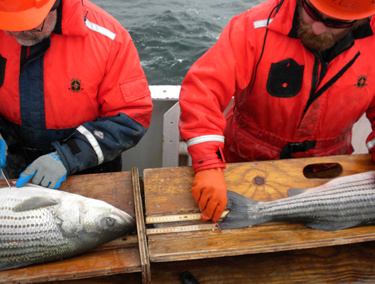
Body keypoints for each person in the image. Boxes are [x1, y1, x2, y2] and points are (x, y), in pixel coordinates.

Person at [179, 0, 375, 222]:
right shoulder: (252, 27)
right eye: (312, 12)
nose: (318, 28)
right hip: (242, 164)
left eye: (335, 22)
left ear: (360, 19)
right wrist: (208, 164)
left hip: (328, 173)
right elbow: (203, 91)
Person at [0, 0, 153, 189]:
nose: (15, 33)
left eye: (29, 24)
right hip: (13, 167)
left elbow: (132, 117)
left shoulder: (110, 38)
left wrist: (67, 156)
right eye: (7, 25)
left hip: (90, 171)